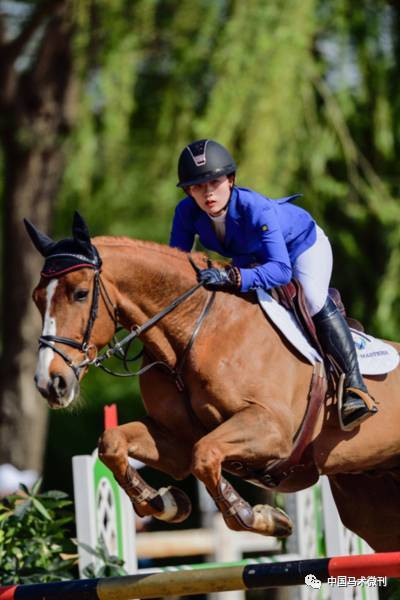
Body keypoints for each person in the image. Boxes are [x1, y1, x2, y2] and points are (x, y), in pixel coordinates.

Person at [169, 139, 377, 431]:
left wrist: (233, 277)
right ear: (189, 190)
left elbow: (280, 270)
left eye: (214, 182)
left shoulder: (256, 208)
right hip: (250, 258)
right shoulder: (186, 213)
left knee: (313, 298)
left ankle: (357, 389)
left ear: (230, 180)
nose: (207, 193)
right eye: (196, 186)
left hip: (301, 248)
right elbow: (175, 263)